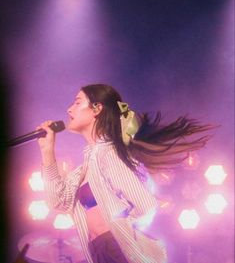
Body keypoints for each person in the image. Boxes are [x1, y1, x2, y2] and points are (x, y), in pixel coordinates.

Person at [37, 84, 213, 263]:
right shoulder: (85, 166)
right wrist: (47, 150)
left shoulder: (109, 153)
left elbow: (146, 205)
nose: (69, 109)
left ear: (97, 108)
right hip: (99, 250)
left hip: (118, 249)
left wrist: (122, 234)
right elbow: (58, 201)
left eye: (77, 102)